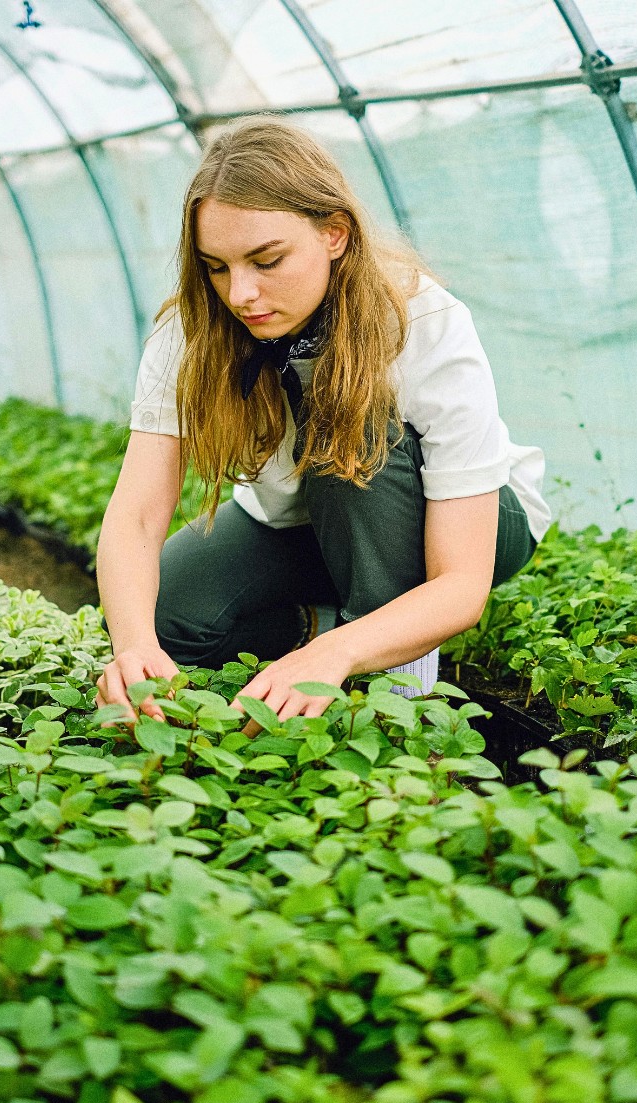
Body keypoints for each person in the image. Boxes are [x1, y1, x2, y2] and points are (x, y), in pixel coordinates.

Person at [95, 116, 550, 732]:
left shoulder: (420, 320)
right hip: (303, 523)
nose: (241, 293)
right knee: (169, 614)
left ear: (334, 233)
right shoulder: (191, 331)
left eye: (267, 259)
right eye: (217, 266)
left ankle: (402, 699)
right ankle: (320, 619)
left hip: (465, 524)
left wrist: (332, 659)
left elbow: (462, 582)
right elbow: (137, 516)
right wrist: (134, 648)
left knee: (353, 432)